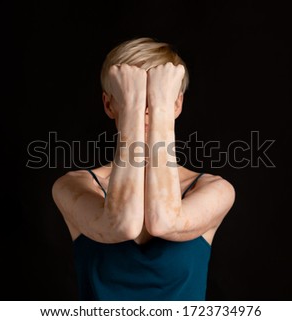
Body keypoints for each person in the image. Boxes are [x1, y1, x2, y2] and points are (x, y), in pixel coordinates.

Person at [52, 37, 235, 300]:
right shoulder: (73, 186)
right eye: (134, 98)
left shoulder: (216, 189)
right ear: (109, 105)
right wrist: (135, 111)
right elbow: (122, 224)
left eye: (156, 99)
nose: (145, 109)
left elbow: (164, 221)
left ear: (177, 104)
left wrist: (158, 108)